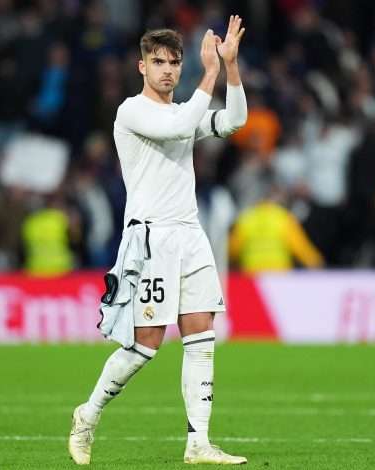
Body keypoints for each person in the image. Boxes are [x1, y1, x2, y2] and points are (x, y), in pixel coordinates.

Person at [69, 16, 248, 465]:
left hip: (190, 235)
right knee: (145, 345)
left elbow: (234, 121)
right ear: (141, 66)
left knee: (202, 336)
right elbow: (180, 125)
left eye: (174, 62)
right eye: (158, 61)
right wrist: (208, 74)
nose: (167, 69)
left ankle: (198, 443)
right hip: (151, 240)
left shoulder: (180, 112)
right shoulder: (133, 112)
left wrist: (230, 66)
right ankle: (87, 415)